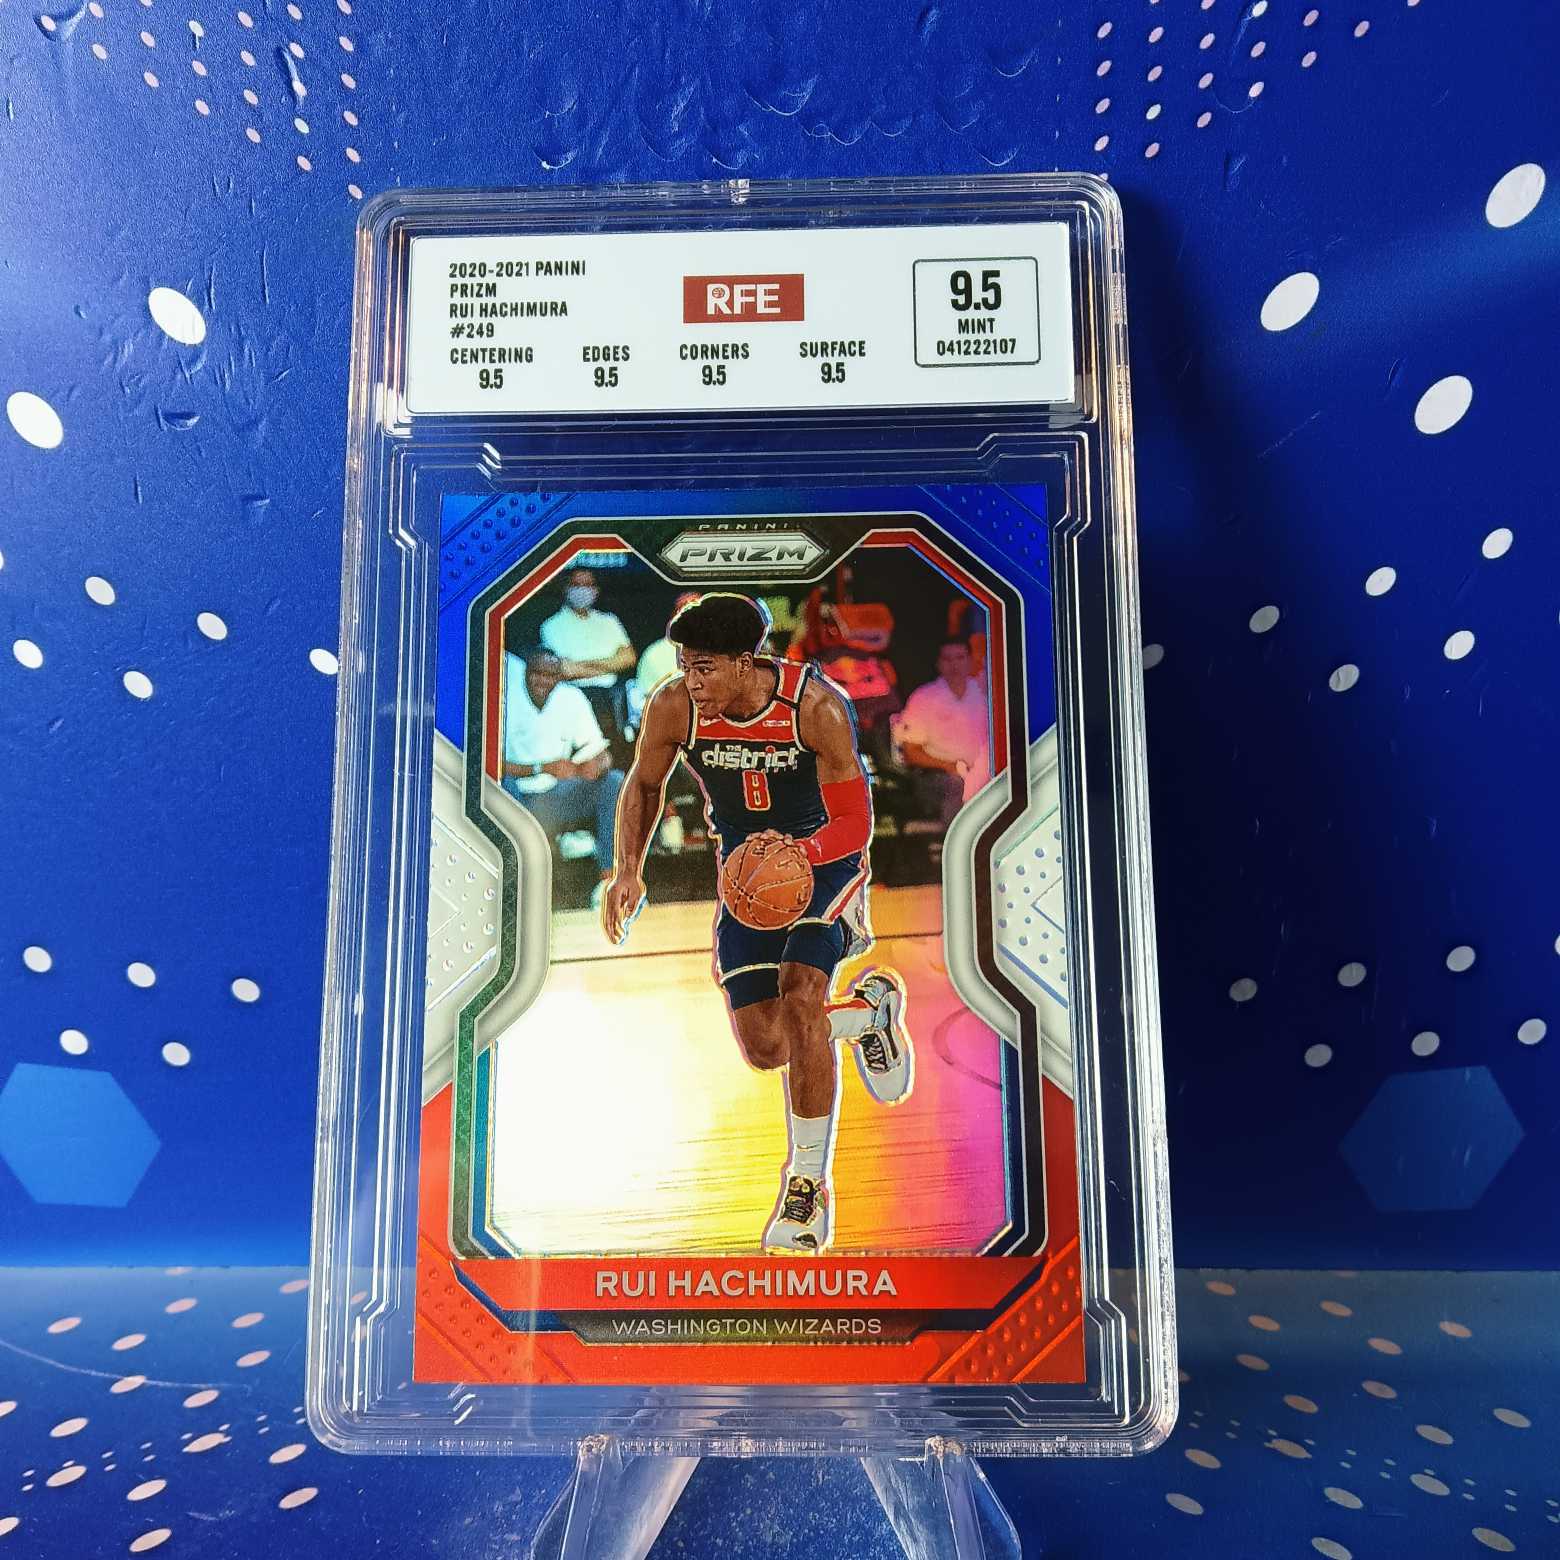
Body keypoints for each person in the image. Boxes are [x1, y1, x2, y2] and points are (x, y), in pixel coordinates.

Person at [602, 593, 913, 1254]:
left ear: (747, 663)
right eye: (686, 665)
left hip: (822, 862)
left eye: (705, 667)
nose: (692, 680)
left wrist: (799, 854)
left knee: (801, 995)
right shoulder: (674, 706)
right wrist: (627, 869)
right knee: (768, 1048)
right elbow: (645, 783)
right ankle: (868, 1017)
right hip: (746, 877)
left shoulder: (815, 707)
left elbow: (856, 823)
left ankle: (807, 1186)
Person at [501, 649, 624, 899]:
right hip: (515, 796)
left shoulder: (572, 698)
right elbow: (487, 763)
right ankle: (512, 888)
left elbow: (602, 753)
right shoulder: (504, 697)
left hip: (556, 796)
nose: (543, 681)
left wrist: (597, 766)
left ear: (559, 677)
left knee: (613, 781)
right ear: (526, 672)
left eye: (550, 675)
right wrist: (541, 768)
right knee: (502, 784)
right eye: (537, 673)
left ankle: (608, 882)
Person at [896, 638, 991, 825]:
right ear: (939, 664)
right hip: (938, 776)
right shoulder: (923, 698)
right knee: (956, 785)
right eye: (947, 659)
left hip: (982, 773)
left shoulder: (985, 692)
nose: (954, 665)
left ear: (970, 661)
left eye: (960, 658)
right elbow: (911, 753)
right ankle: (958, 839)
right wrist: (950, 766)